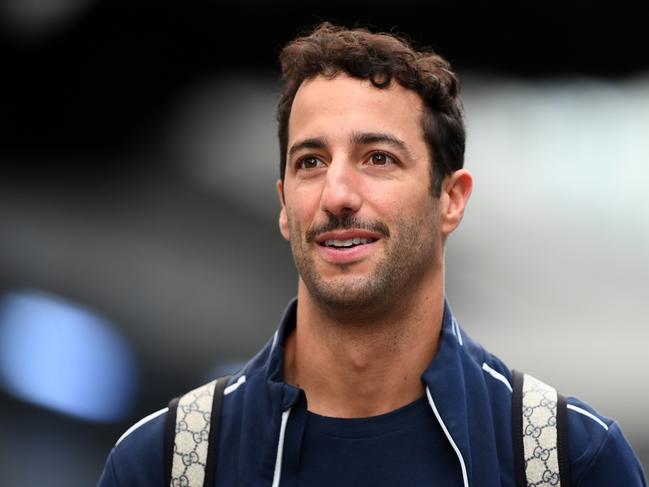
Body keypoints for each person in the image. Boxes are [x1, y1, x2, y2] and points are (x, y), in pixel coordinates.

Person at [98, 22, 647, 487]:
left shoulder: (568, 459)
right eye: (311, 162)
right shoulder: (167, 463)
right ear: (285, 204)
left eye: (378, 158)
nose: (336, 194)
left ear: (451, 201)